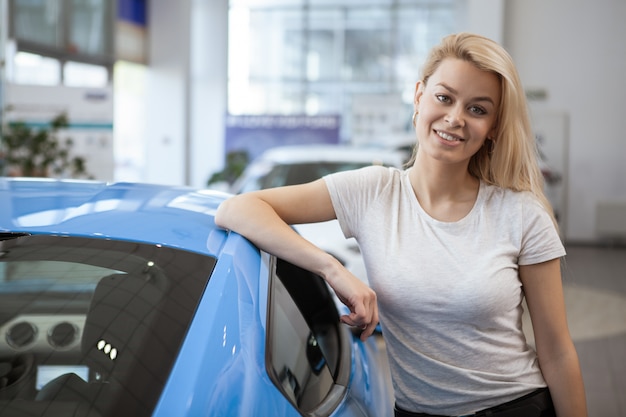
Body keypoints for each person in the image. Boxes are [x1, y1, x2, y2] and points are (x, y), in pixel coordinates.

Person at [215, 32, 587, 417]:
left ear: (493, 126)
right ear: (419, 96)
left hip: (514, 407)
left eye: (478, 109)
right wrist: (333, 269)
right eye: (444, 97)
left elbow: (557, 350)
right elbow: (238, 209)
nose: (455, 118)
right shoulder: (372, 192)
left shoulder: (521, 213)